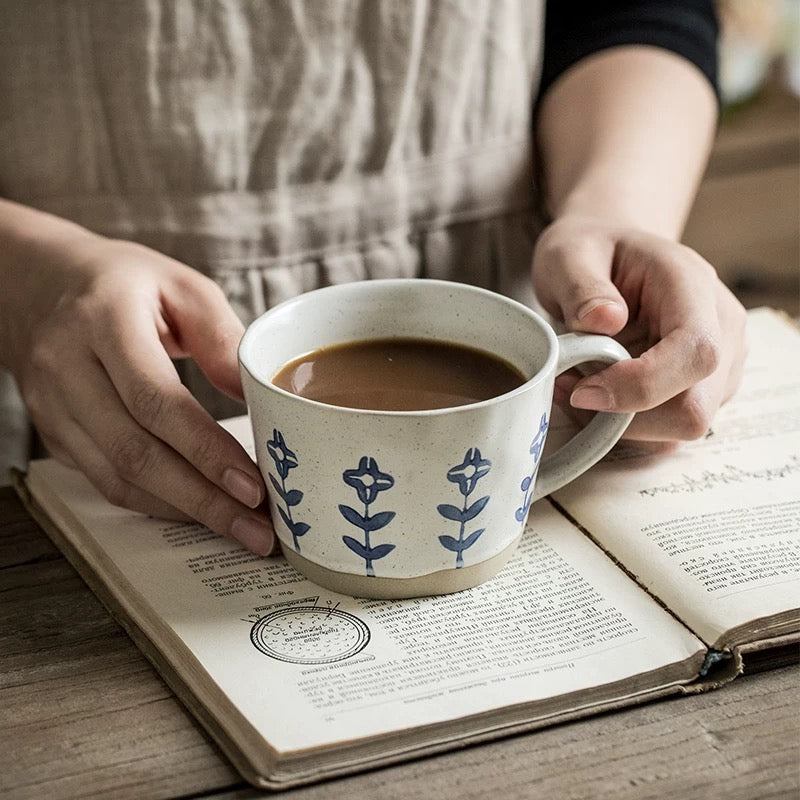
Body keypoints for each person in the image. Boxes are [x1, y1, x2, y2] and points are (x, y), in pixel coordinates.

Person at [0, 1, 747, 557]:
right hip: (81, 359)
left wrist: (617, 216)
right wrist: (22, 278)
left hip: (508, 281)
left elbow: (633, 10)